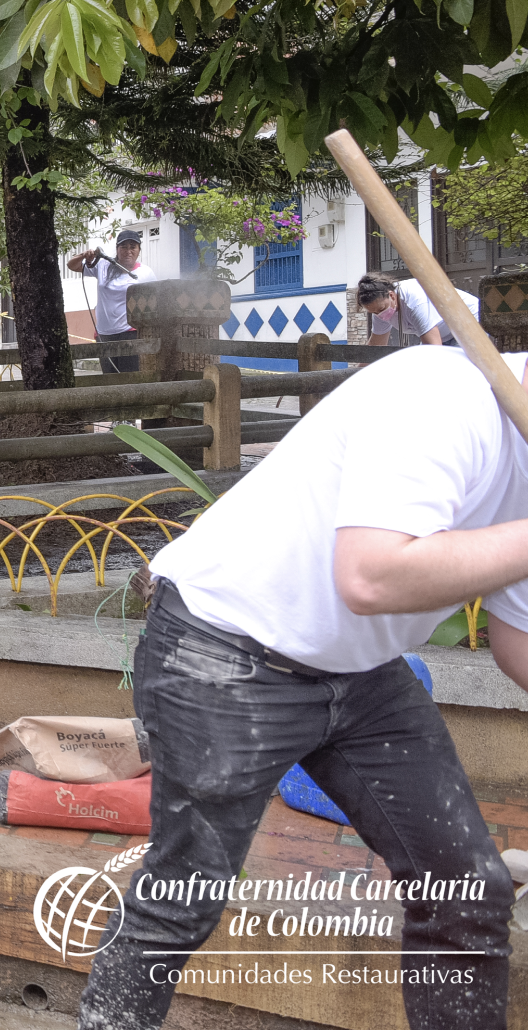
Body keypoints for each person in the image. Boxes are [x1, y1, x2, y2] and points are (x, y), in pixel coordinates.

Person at [78, 345, 526, 1030]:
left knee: (465, 889)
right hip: (225, 649)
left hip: (361, 673)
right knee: (181, 899)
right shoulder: (442, 395)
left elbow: (516, 645)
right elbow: (371, 574)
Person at [67, 231, 155, 372]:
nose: (128, 251)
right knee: (109, 377)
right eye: (123, 247)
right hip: (104, 333)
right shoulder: (103, 265)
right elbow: (72, 265)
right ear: (117, 249)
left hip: (130, 332)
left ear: (139, 250)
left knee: (129, 377)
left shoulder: (146, 273)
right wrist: (85, 255)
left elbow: (154, 301)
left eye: (133, 247)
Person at [359, 271, 480, 348]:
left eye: (381, 309)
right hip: (444, 333)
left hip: (468, 323)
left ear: (391, 295)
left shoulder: (415, 301)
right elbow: (376, 345)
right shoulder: (379, 309)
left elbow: (434, 348)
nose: (379, 315)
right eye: (374, 312)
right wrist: (355, 374)